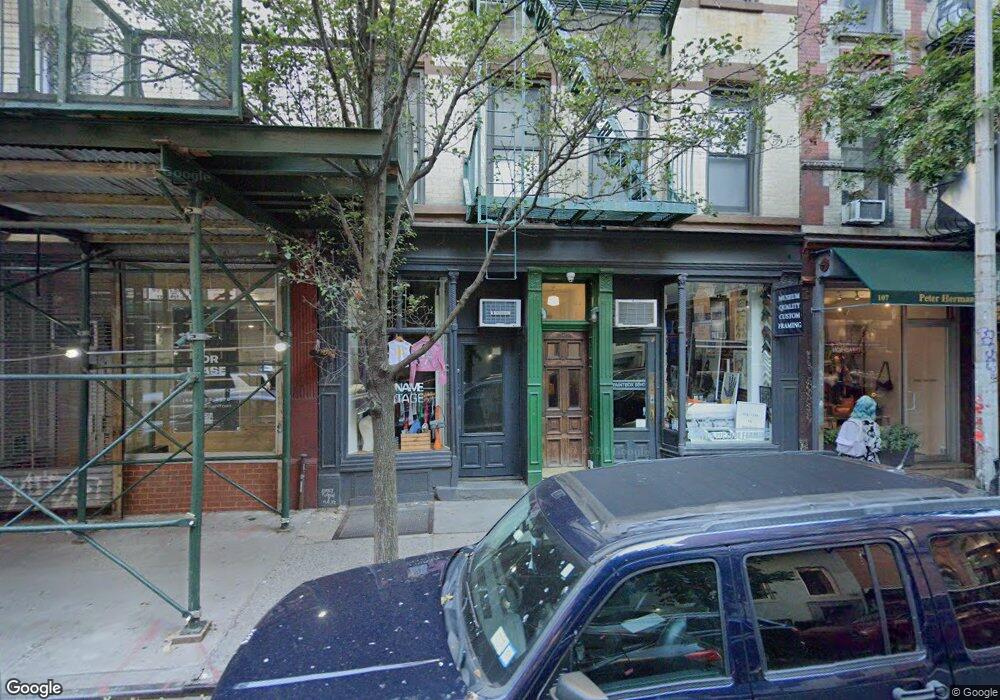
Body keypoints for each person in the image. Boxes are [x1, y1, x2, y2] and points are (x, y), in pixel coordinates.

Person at [835, 395, 882, 463]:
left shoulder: (848, 422)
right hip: (864, 461)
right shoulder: (871, 425)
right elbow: (875, 446)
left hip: (844, 459)